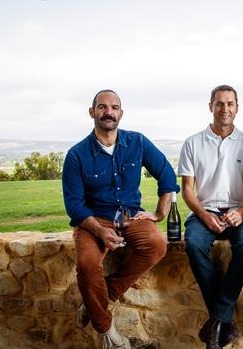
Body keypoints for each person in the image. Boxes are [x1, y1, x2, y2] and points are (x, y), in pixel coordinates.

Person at [62, 89, 180, 349]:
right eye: (102, 107)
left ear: (121, 114)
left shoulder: (137, 142)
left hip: (131, 216)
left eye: (114, 107)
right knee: (87, 263)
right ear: (92, 112)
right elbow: (74, 206)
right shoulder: (76, 155)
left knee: (157, 245)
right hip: (94, 220)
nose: (108, 112)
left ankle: (101, 296)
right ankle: (107, 331)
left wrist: (160, 213)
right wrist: (100, 231)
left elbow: (167, 175)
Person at [178, 85, 243, 349]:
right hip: (205, 211)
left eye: (230, 104)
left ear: (237, 107)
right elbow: (187, 191)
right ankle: (224, 320)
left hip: (238, 209)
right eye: (219, 103)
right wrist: (202, 215)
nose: (225, 109)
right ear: (210, 106)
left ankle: (216, 322)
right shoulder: (192, 143)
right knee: (193, 243)